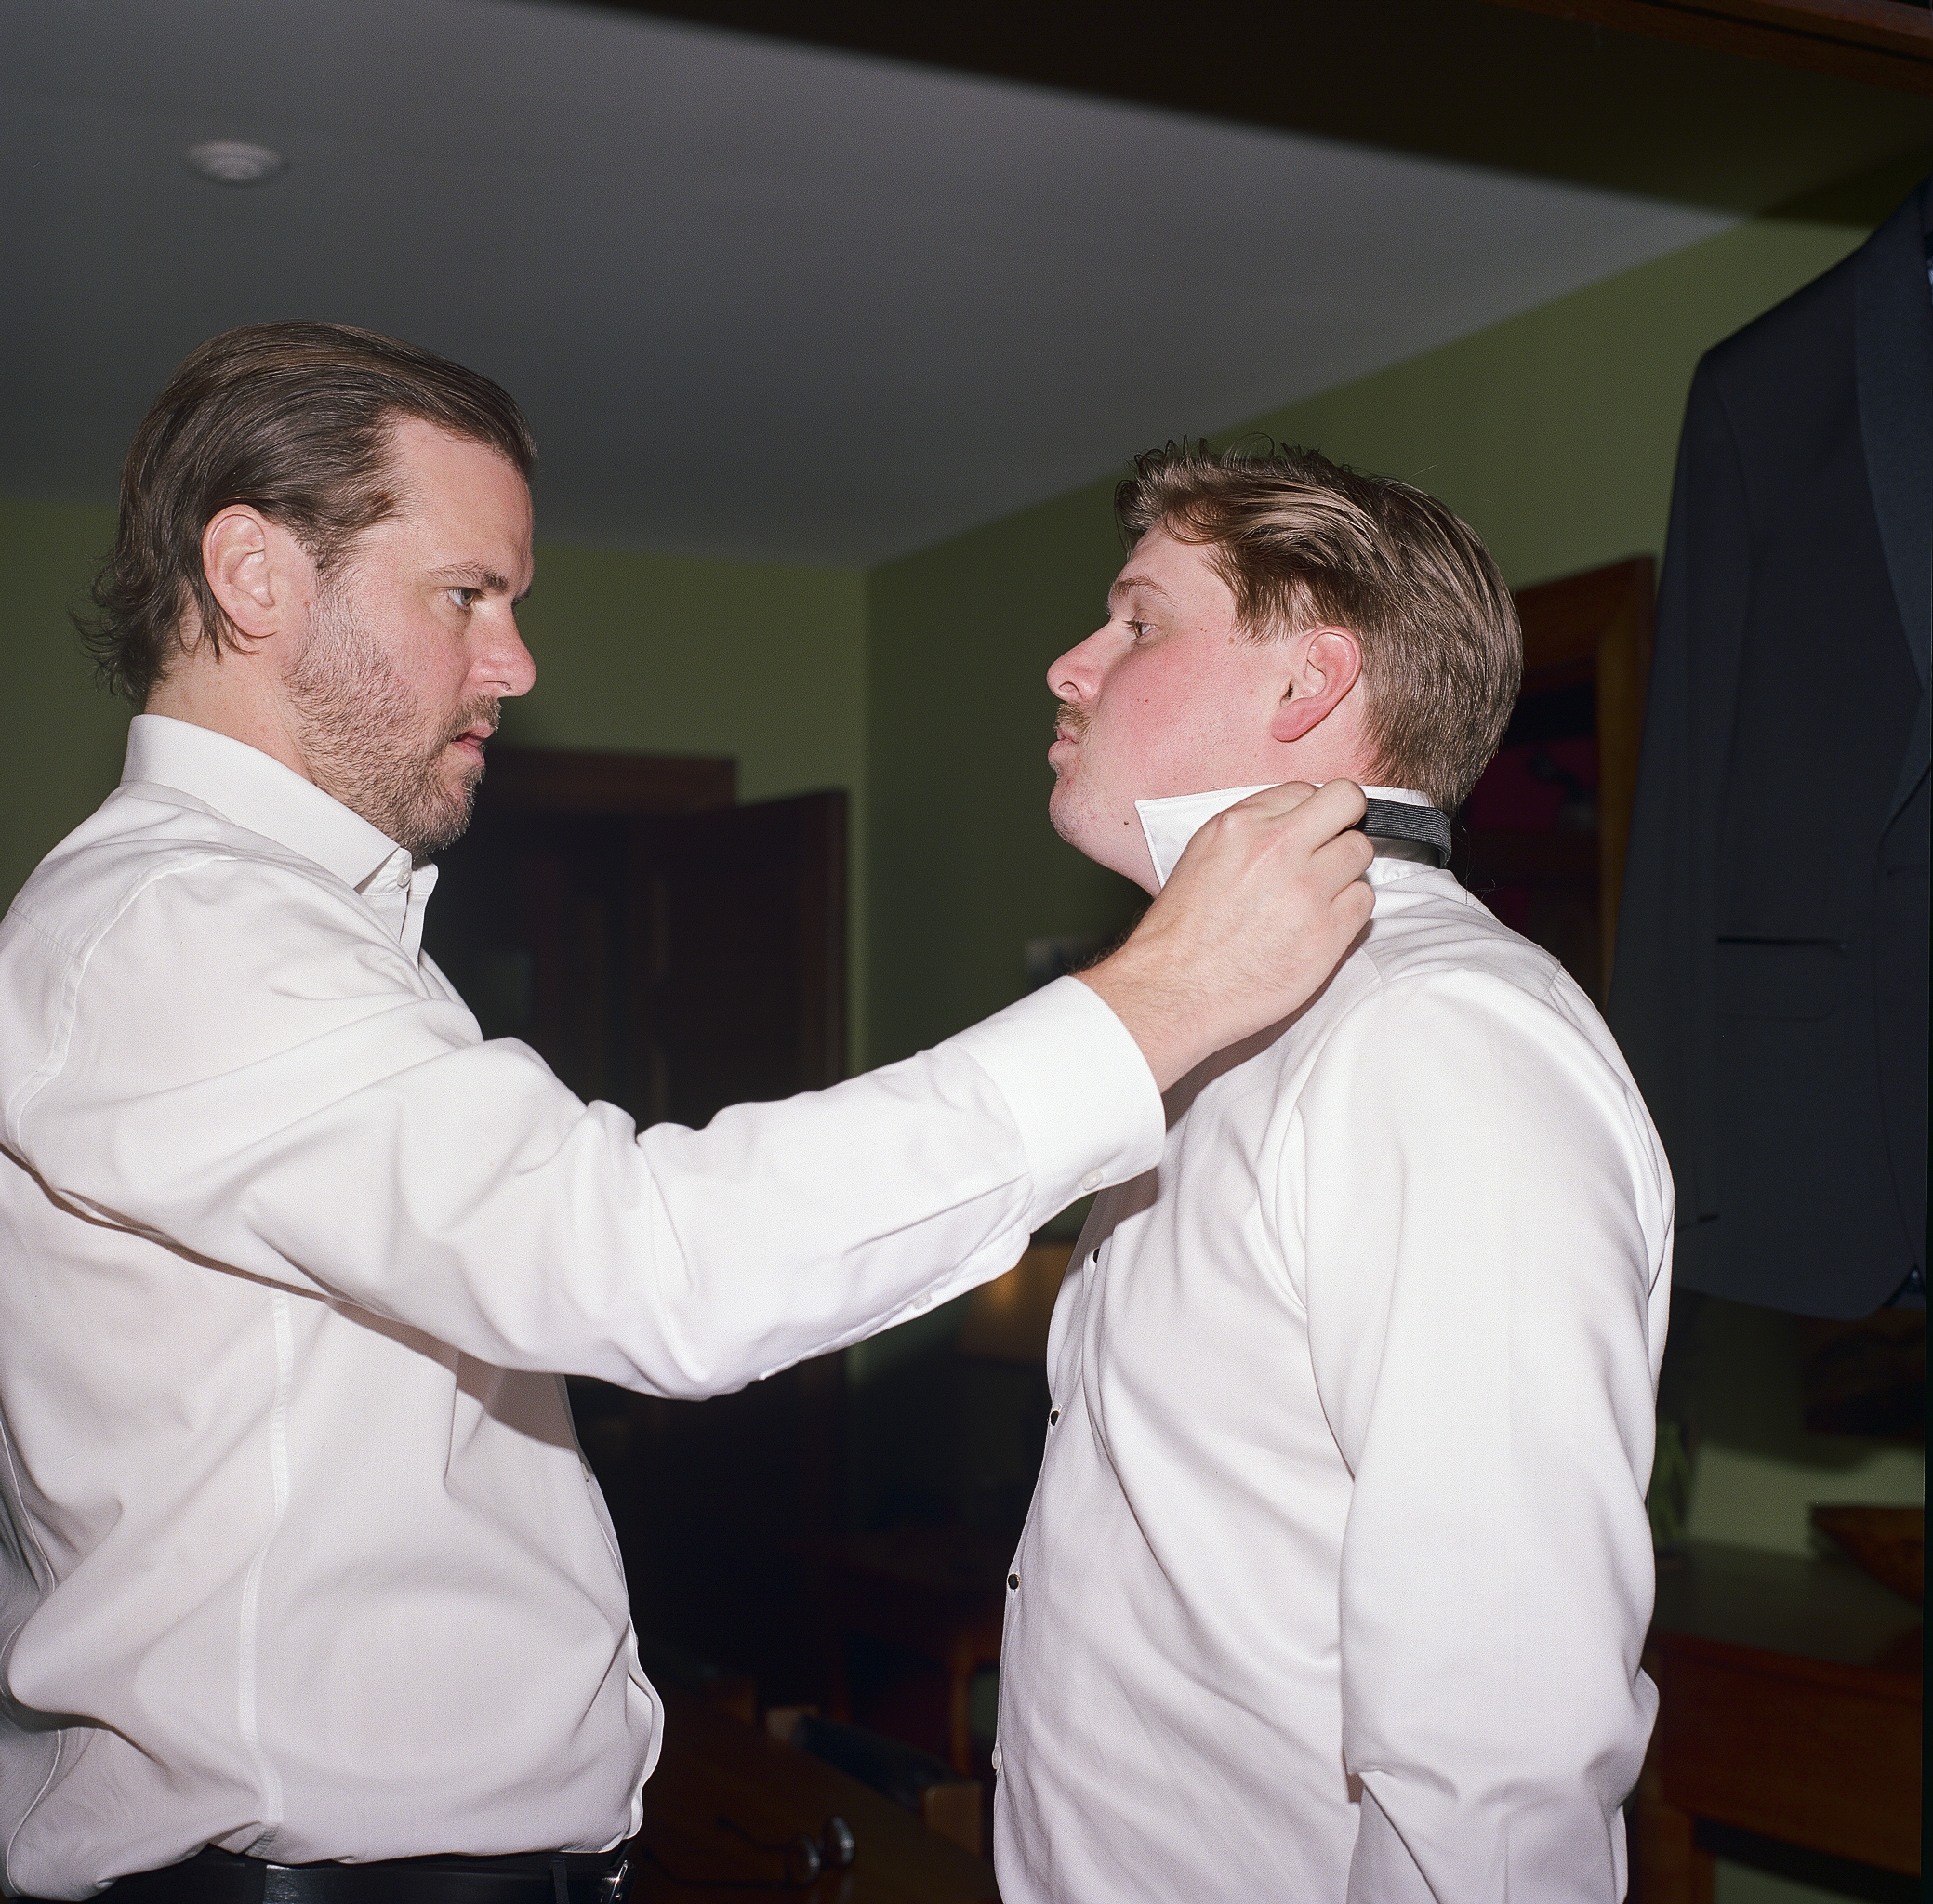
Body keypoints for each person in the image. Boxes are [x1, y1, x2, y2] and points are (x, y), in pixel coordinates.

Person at [0, 328, 1374, 1902]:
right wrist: (1161, 999)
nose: (515, 662)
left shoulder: (284, 926)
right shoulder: (180, 933)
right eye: (466, 595)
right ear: (255, 576)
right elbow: (651, 1263)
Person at [994, 443, 1674, 1904]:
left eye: (1138, 621)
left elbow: (1499, 1726)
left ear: (1308, 683)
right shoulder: (1222, 1021)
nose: (1069, 665)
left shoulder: (1438, 1038)